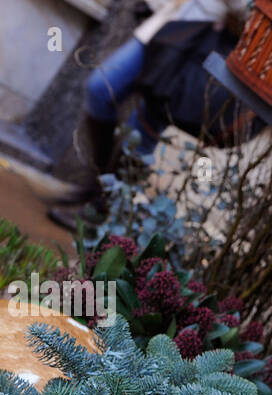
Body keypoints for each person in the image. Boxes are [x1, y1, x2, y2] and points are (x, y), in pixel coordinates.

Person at [51, 0, 252, 227]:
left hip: (195, 43)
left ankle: (103, 207)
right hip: (163, 27)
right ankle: (97, 184)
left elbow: (248, 9)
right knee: (100, 89)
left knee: (145, 127)